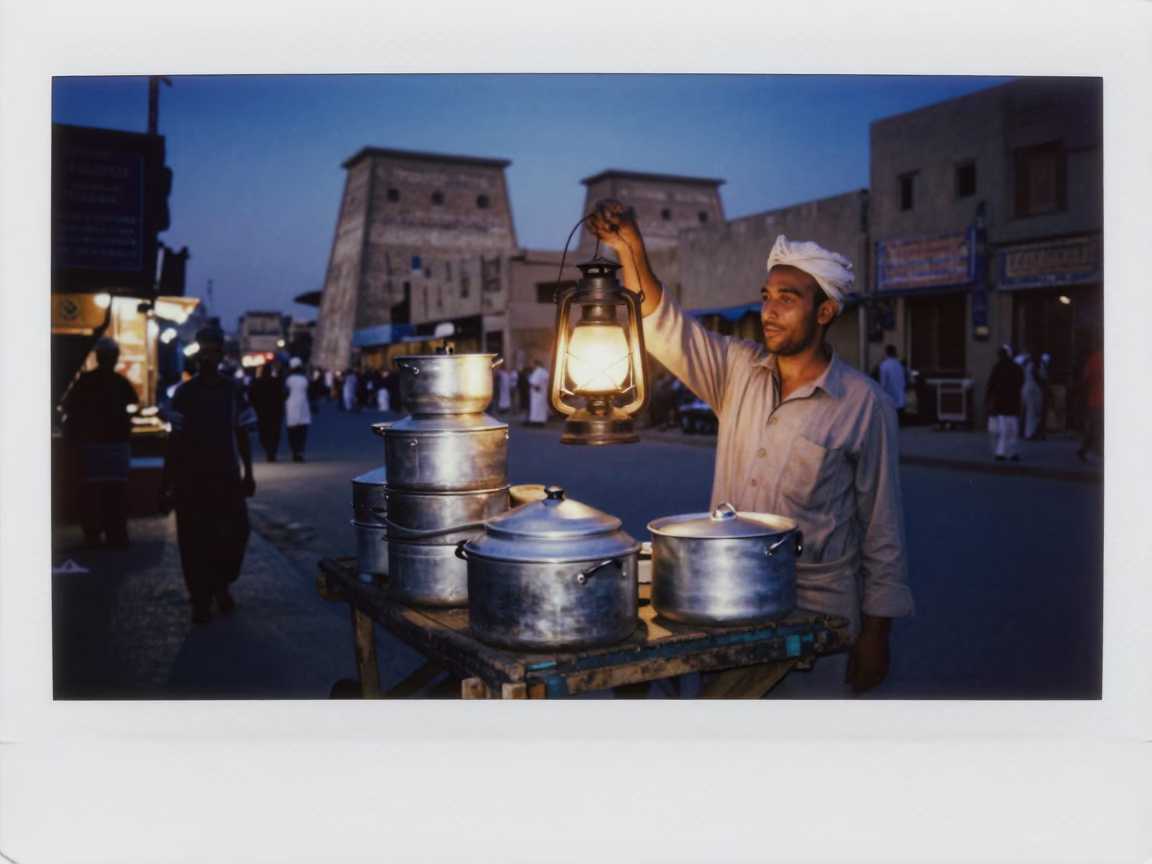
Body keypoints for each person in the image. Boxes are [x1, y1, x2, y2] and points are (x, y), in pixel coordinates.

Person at [588, 199, 913, 696]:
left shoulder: (865, 406)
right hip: (727, 602)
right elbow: (664, 322)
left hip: (817, 621)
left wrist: (877, 632)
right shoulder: (737, 370)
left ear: (825, 310)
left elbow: (882, 529)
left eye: (787, 298)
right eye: (766, 297)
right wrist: (630, 247)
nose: (769, 311)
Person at [157, 326, 257, 624]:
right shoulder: (184, 393)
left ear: (222, 354)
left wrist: (248, 474)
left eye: (215, 350)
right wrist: (166, 484)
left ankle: (221, 585)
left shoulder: (234, 391)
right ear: (197, 354)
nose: (210, 356)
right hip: (192, 481)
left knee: (234, 535)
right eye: (205, 350)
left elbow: (242, 433)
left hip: (227, 479)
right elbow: (175, 439)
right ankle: (200, 598)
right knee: (194, 541)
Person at [61, 337, 139, 547]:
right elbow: (133, 408)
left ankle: (93, 534)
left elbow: (71, 410)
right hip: (116, 445)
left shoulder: (84, 382)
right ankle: (116, 533)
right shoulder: (121, 383)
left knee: (92, 493)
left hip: (91, 446)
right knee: (115, 490)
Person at [985, 345, 1024, 462]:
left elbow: (990, 386)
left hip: (1002, 404)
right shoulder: (1015, 368)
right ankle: (1008, 452)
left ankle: (1001, 452)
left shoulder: (998, 368)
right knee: (1010, 430)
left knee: (1003, 430)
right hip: (1010, 403)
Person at [248, 363, 285, 462]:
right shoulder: (276, 382)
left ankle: (269, 450)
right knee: (274, 433)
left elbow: (251, 397)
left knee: (264, 432)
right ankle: (272, 451)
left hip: (262, 412)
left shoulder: (256, 382)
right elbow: (282, 396)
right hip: (275, 412)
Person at [1076, 344, 1103, 463]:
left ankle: (1085, 449)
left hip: (1095, 398)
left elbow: (1085, 378)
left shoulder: (1094, 358)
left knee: (1094, 426)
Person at [284, 356, 313, 462]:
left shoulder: (288, 380)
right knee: (302, 433)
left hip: (291, 407)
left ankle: (294, 451)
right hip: (303, 407)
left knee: (292, 433)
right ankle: (300, 451)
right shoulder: (304, 379)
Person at [1020, 342, 1048, 441]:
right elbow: (1040, 377)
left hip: (1029, 388)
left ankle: (1032, 432)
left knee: (1033, 411)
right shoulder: (1033, 364)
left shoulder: (1029, 362)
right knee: (1032, 412)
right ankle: (1030, 433)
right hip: (1033, 388)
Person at [877, 344, 908, 427]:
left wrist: (881, 392)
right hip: (899, 393)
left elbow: (883, 381)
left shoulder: (884, 365)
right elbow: (903, 379)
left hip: (889, 393)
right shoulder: (899, 365)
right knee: (899, 409)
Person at [527, 358, 550, 426]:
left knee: (536, 407)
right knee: (542, 407)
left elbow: (534, 382)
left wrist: (536, 387)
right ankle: (542, 420)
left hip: (537, 393)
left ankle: (536, 421)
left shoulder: (537, 371)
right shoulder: (544, 371)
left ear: (536, 364)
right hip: (543, 392)